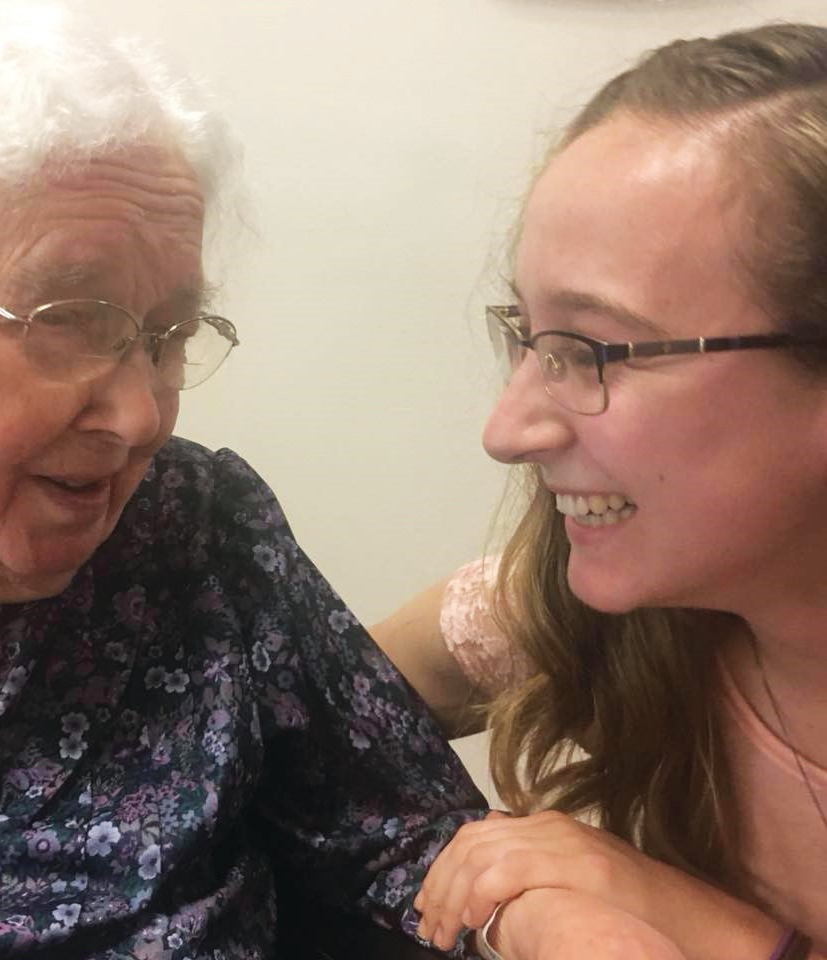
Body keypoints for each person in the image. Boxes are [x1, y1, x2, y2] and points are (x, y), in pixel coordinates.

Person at [0, 2, 490, 957]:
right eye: (70, 313)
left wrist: (530, 910)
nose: (141, 417)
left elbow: (402, 839)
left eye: (170, 336)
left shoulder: (195, 527)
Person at [375, 21, 827, 960]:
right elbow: (294, 712)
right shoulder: (573, 611)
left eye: (591, 350)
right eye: (530, 336)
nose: (508, 431)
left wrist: (709, 928)